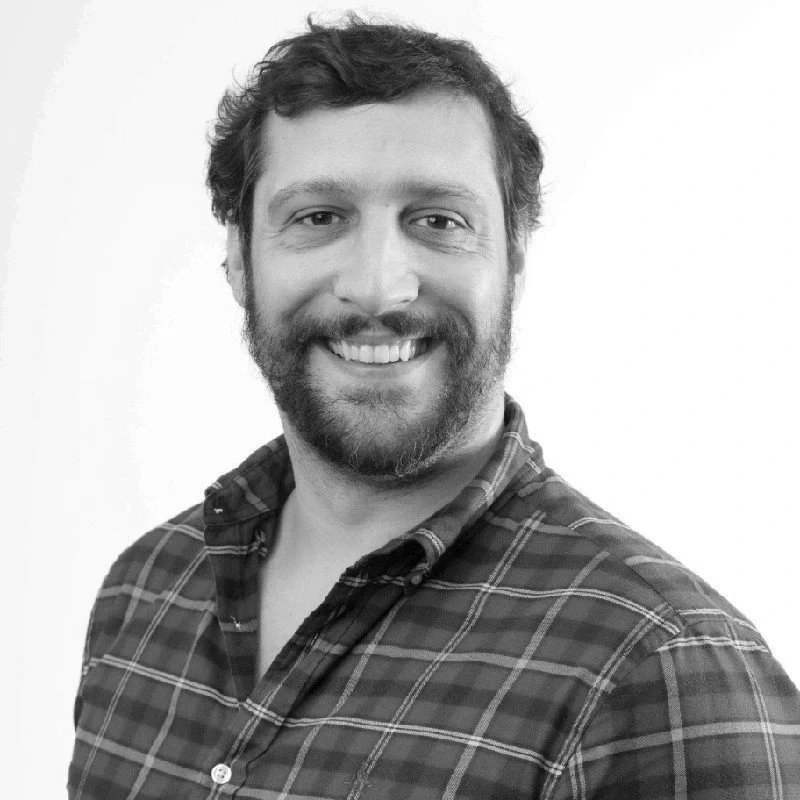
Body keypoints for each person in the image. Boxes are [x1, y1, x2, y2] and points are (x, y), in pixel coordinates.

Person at [69, 14, 800, 799]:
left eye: (439, 222)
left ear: (513, 263)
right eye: (318, 217)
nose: (379, 286)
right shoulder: (143, 591)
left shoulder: (663, 667)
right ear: (239, 264)